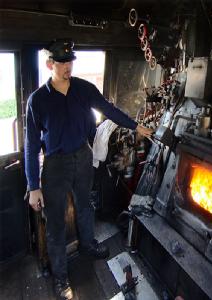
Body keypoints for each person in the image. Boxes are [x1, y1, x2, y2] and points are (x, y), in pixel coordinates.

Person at [25, 39, 153, 300]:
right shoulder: (37, 101)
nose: (66, 67)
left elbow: (108, 109)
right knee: (56, 223)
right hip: (55, 164)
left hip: (83, 156)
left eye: (69, 62)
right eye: (61, 63)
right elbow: (30, 146)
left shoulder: (84, 89)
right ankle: (61, 276)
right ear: (50, 64)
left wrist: (135, 126)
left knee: (85, 206)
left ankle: (87, 245)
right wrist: (33, 186)